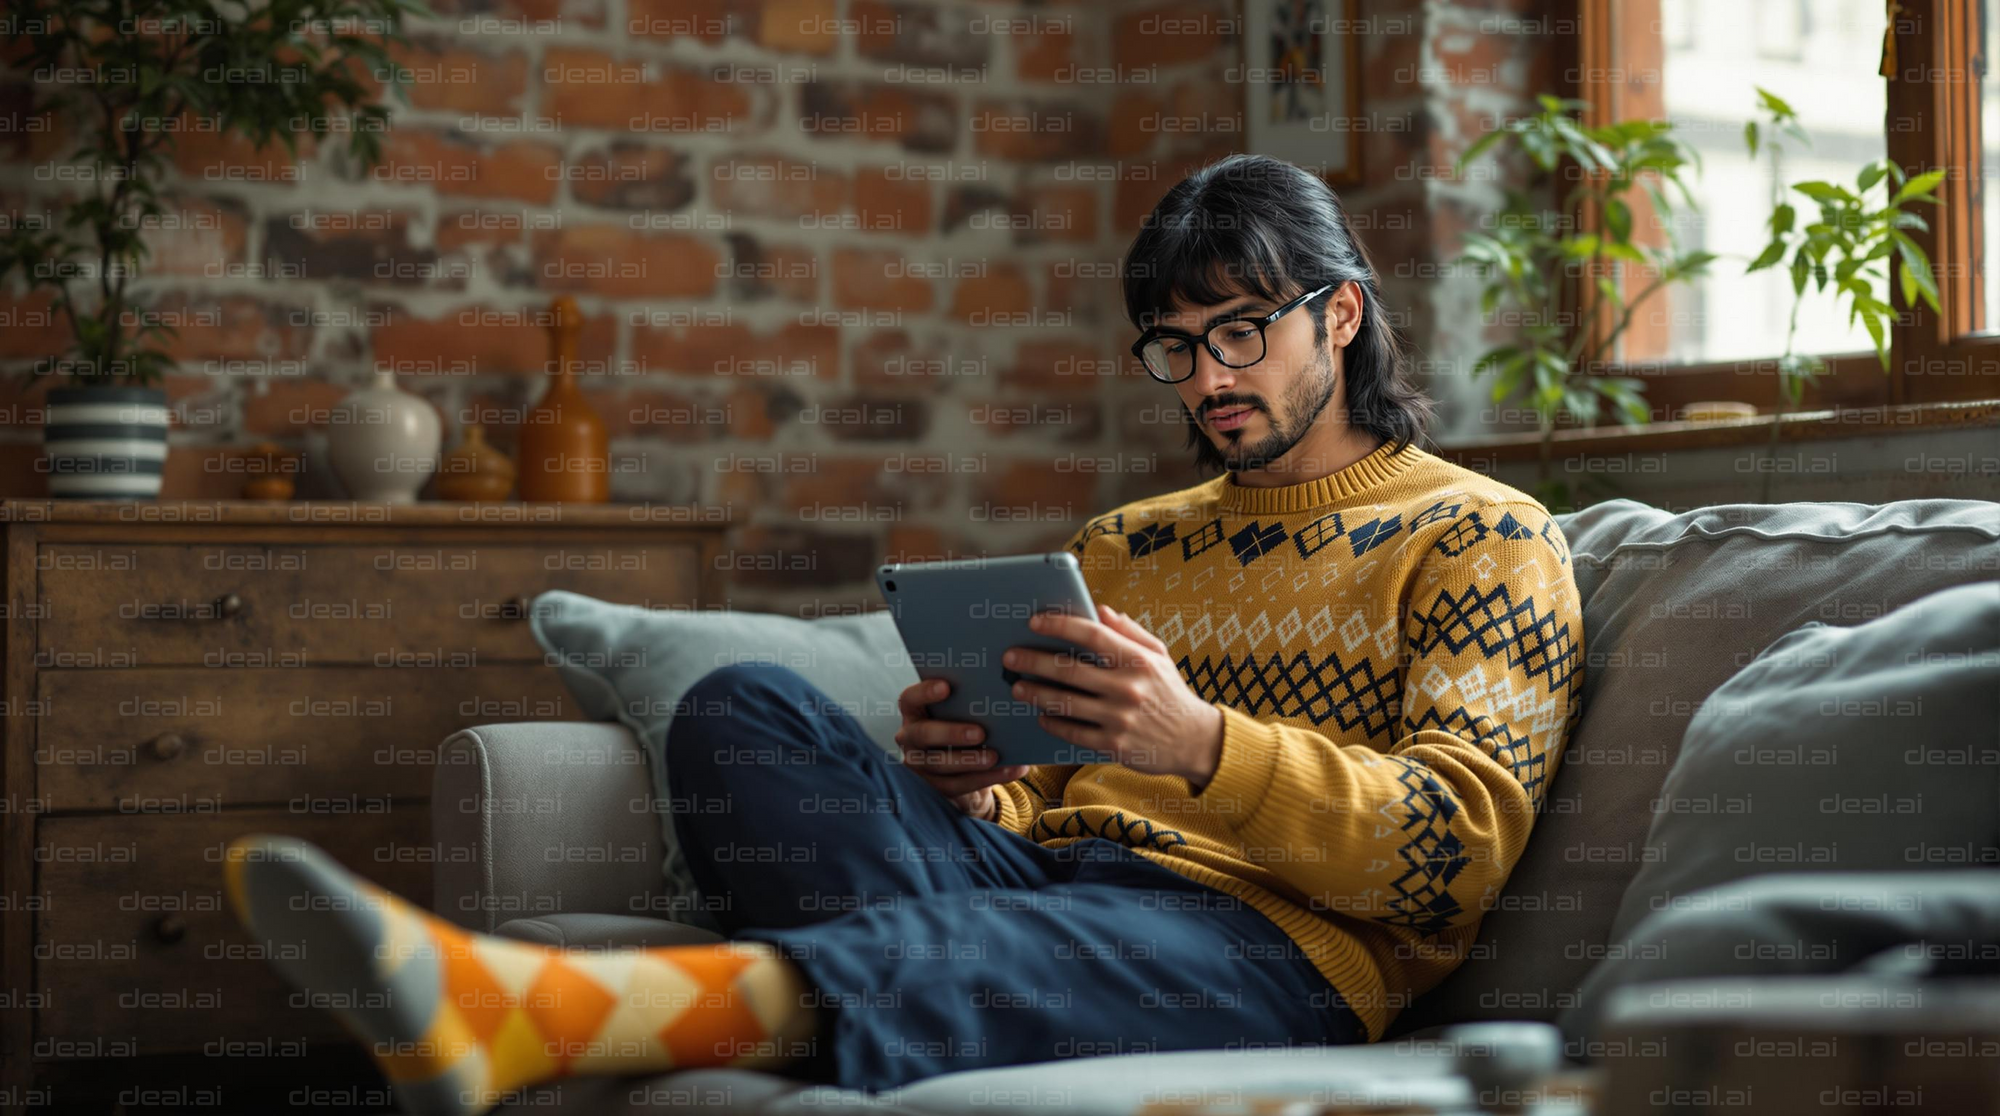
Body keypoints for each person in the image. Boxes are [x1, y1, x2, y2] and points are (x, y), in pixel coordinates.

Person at [224, 153, 1586, 1116]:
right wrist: (971, 776)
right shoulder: (1132, 543)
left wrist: (1205, 746)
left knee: (993, 946)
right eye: (1173, 346)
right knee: (740, 709)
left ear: (1340, 315)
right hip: (1048, 883)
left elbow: (1449, 857)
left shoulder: (1484, 539)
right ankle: (935, 999)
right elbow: (1042, 795)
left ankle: (536, 1014)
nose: (1210, 379)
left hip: (1276, 947)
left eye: (1240, 332)